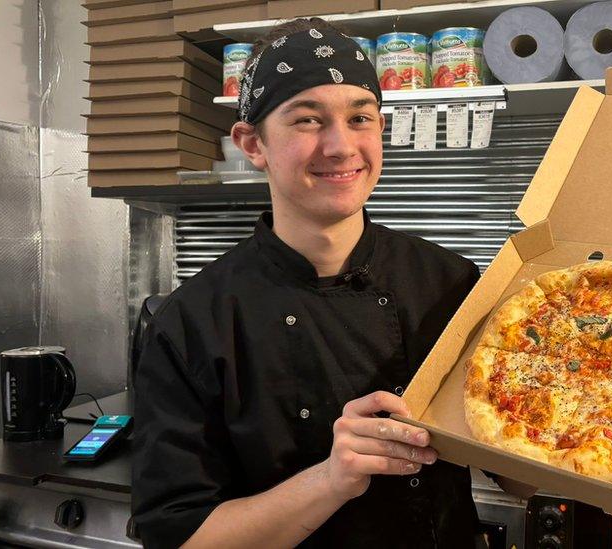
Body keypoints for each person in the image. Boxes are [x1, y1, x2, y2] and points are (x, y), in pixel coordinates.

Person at [130, 18, 532, 549]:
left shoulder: (450, 283)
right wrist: (331, 479)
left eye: (360, 117)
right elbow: (181, 537)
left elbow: (515, 471)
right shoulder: (190, 322)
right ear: (253, 143)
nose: (341, 146)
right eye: (307, 120)